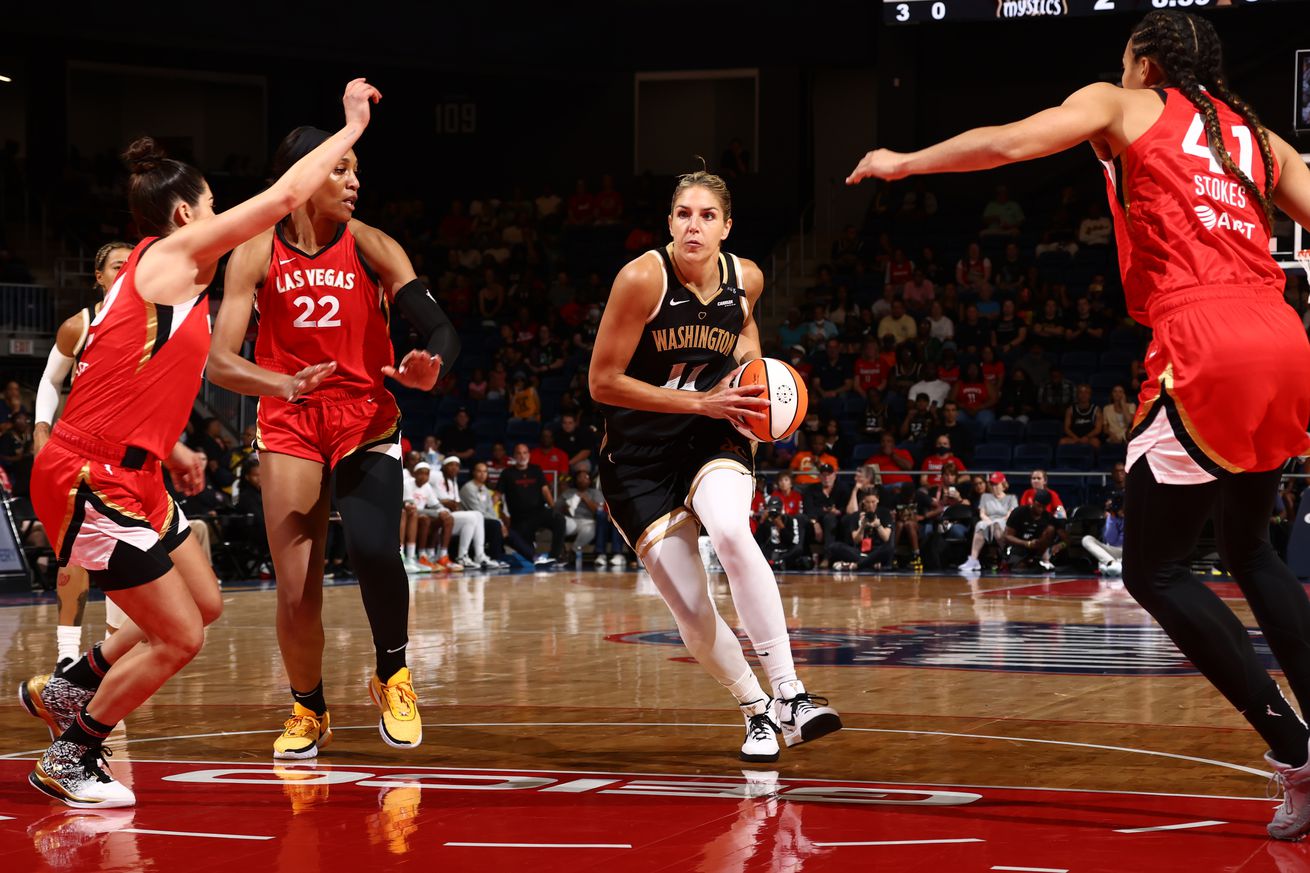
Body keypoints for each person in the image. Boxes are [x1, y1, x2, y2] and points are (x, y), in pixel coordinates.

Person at [850, 10, 1310, 840]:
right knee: (1252, 548)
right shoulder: (1260, 138)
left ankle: (1294, 747)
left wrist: (905, 161)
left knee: (1154, 569)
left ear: (1143, 62)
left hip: (1205, 337)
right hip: (1284, 337)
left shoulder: (1121, 103)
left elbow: (1011, 142)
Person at [19, 79, 381, 809]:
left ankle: (71, 685)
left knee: (206, 602)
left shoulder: (169, 282)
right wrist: (348, 131)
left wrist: (174, 447)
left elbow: (135, 377)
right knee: (181, 636)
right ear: (187, 214)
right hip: (89, 475)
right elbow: (281, 199)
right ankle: (72, 751)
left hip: (136, 469)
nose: (223, 220)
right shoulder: (175, 253)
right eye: (215, 207)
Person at [209, 110, 460, 759]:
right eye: (340, 170)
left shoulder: (371, 243)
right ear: (304, 178)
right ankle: (309, 706)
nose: (353, 183)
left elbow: (440, 329)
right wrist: (281, 385)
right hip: (291, 417)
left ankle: (394, 674)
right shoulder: (257, 248)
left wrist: (431, 365)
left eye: (356, 171)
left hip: (364, 415)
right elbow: (217, 358)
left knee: (377, 550)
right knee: (297, 588)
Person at [589, 168, 841, 763]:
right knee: (690, 603)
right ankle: (755, 710)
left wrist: (751, 380)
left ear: (727, 227)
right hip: (637, 460)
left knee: (730, 529)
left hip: (710, 434)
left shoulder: (745, 278)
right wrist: (698, 398)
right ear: (669, 221)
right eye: (682, 214)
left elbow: (746, 332)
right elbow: (602, 382)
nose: (693, 226)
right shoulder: (641, 280)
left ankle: (791, 694)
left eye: (706, 216)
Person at [33, 241, 135, 665]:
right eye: (117, 266)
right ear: (99, 276)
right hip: (77, 453)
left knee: (124, 559)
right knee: (74, 555)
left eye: (133, 266)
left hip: (129, 457)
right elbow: (49, 381)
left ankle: (107, 658)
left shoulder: (151, 324)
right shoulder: (81, 324)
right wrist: (41, 430)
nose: (126, 272)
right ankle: (66, 658)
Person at [498, 442, 567, 566]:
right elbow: (497, 495)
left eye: (525, 453)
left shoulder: (536, 470)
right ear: (514, 456)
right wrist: (496, 514)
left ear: (529, 454)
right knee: (530, 554)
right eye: (518, 453)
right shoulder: (507, 473)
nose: (522, 456)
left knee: (559, 519)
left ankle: (555, 556)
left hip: (539, 512)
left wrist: (553, 508)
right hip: (519, 518)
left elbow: (545, 490)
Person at [434, 457, 488, 569]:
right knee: (472, 517)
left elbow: (457, 504)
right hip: (438, 514)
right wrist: (444, 502)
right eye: (451, 465)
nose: (455, 468)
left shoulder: (453, 481)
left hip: (451, 516)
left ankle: (479, 555)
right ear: (444, 466)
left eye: (457, 465)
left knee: (477, 515)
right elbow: (426, 492)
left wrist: (453, 504)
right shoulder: (436, 476)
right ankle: (462, 556)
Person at [958, 472, 1018, 573]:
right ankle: (973, 560)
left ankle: (1006, 555)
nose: (994, 487)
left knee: (997, 524)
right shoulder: (985, 497)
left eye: (996, 484)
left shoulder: (1011, 498)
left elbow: (1011, 515)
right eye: (992, 484)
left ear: (1003, 484)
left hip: (1005, 522)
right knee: (980, 524)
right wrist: (989, 521)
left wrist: (995, 522)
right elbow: (982, 514)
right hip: (989, 521)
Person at [458, 461, 513, 569]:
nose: (482, 474)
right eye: (479, 471)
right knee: (495, 525)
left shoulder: (485, 490)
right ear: (473, 473)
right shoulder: (468, 488)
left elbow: (491, 510)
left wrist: (501, 523)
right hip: (472, 521)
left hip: (484, 520)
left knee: (506, 529)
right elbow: (478, 512)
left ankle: (530, 555)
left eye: (485, 472)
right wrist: (498, 523)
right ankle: (494, 558)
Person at [828, 488, 894, 571]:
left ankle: (856, 565)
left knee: (889, 548)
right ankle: (870, 564)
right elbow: (856, 540)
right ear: (863, 501)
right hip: (859, 552)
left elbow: (886, 537)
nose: (870, 505)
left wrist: (878, 525)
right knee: (834, 547)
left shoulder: (885, 513)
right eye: (867, 502)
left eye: (873, 502)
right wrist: (862, 526)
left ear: (878, 500)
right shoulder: (856, 515)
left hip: (876, 551)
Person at [1004, 490, 1059, 571]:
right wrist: (1027, 543)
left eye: (1044, 506)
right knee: (1020, 569)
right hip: (1018, 547)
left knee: (1050, 529)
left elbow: (1064, 537)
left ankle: (1041, 559)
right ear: (1033, 502)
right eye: (1038, 505)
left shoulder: (1047, 517)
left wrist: (1060, 545)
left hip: (1037, 549)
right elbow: (1007, 536)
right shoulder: (1019, 512)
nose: (1041, 509)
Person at [1083, 492, 1125, 576]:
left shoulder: (1136, 515)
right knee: (1087, 539)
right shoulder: (1112, 517)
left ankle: (1111, 564)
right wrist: (1113, 518)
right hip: (1113, 549)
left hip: (1129, 551)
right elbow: (1111, 540)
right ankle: (1112, 563)